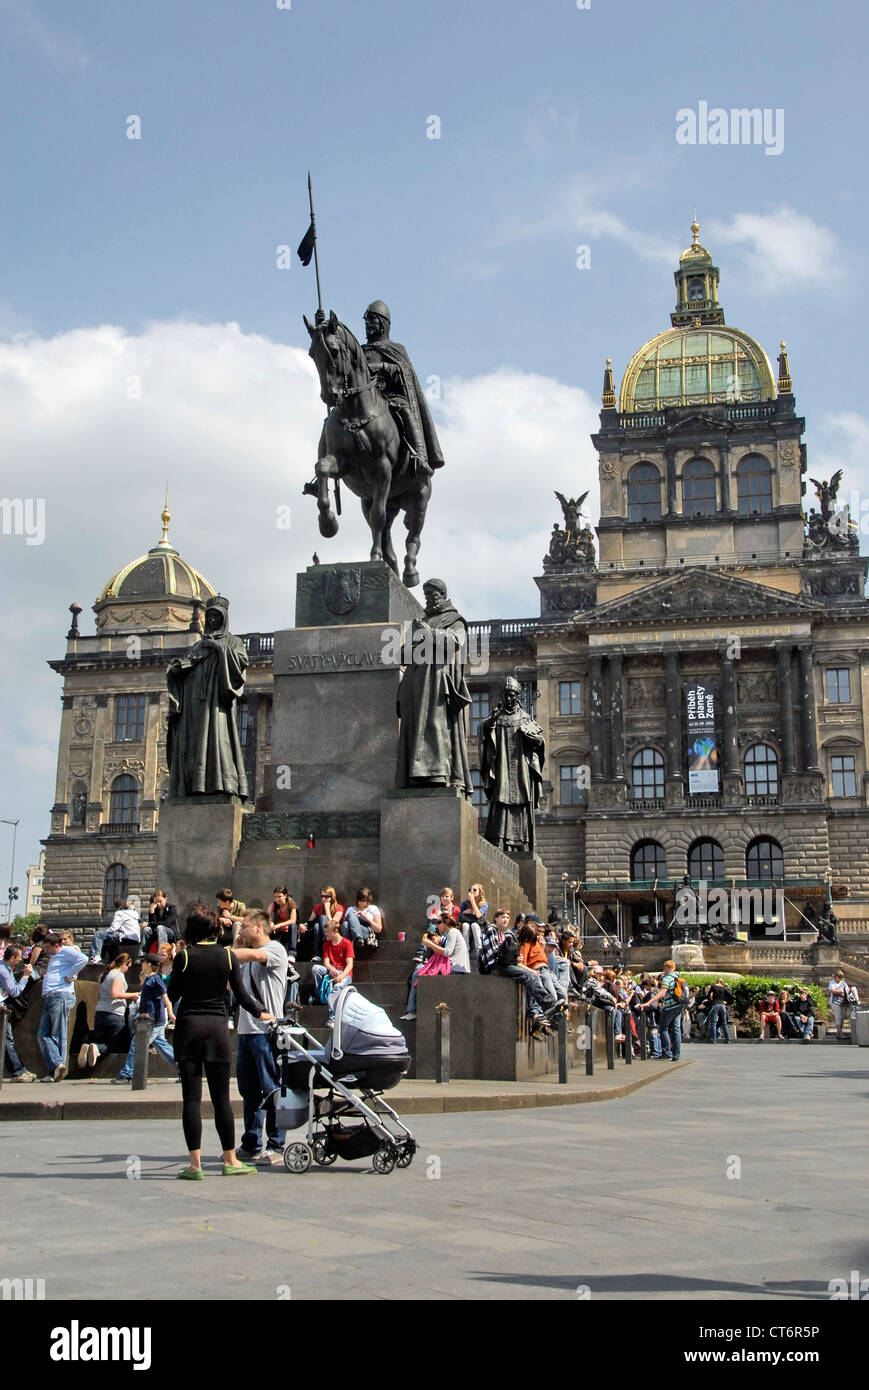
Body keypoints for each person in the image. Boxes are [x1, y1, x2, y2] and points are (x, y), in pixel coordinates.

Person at [167, 906, 273, 1179]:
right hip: (217, 1030)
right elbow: (242, 995)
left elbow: (173, 991)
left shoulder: (184, 957)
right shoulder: (227, 957)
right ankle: (230, 1160)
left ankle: (195, 1165)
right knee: (221, 1099)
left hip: (189, 1029)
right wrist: (262, 1012)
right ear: (216, 930)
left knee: (191, 1099)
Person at [166, 594, 250, 800]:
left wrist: (217, 647)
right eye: (209, 616)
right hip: (195, 706)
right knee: (195, 746)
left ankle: (223, 784)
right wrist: (177, 670)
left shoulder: (234, 642)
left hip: (216, 704)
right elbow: (188, 665)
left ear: (224, 619)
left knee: (219, 743)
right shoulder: (197, 646)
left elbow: (239, 666)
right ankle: (195, 787)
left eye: (216, 616)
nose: (212, 620)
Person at [395, 578, 472, 793]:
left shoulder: (454, 619)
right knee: (415, 730)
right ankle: (414, 776)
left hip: (437, 683)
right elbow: (402, 654)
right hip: (416, 685)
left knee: (436, 727)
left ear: (442, 595)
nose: (428, 598)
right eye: (426, 594)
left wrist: (427, 633)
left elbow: (455, 642)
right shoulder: (420, 621)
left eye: (432, 594)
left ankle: (437, 773)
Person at [361, 299, 444, 479]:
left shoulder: (396, 349)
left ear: (383, 324)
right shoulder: (360, 351)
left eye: (372, 320)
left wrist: (382, 366)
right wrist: (323, 329)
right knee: (333, 419)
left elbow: (404, 371)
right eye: (366, 320)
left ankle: (420, 456)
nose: (367, 324)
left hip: (390, 397)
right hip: (364, 398)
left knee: (405, 411)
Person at [231, 911, 289, 1160]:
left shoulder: (275, 949)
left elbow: (255, 954)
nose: (241, 930)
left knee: (272, 1088)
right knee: (249, 1090)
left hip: (268, 1032)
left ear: (259, 926)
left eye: (244, 926)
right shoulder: (244, 958)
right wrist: (234, 946)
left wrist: (224, 953)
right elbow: (229, 984)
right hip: (246, 1030)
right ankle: (251, 1143)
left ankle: (276, 1145)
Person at [479, 676, 545, 855]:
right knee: (500, 799)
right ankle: (498, 840)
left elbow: (540, 740)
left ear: (518, 696)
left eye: (512, 695)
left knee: (522, 801)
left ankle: (522, 843)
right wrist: (491, 721)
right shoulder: (496, 718)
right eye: (506, 695)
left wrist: (535, 740)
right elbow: (484, 731)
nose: (509, 698)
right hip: (502, 768)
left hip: (521, 769)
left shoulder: (525, 718)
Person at [114, 956, 178, 1083]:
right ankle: (183, 1066)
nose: (142, 964)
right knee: (162, 1045)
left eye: (144, 962)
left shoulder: (155, 979)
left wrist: (171, 1013)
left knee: (137, 1044)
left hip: (152, 1019)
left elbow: (166, 998)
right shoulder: (149, 979)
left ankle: (128, 1073)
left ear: (148, 964)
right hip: (150, 1018)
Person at [36, 931, 88, 1081]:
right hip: (51, 996)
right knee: (43, 1035)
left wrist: (70, 975)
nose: (46, 950)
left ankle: (58, 1070)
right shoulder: (55, 957)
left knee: (58, 1034)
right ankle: (56, 1065)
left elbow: (83, 959)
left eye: (47, 947)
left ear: (56, 945)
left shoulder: (66, 951)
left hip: (60, 995)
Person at [402, 910, 469, 1020]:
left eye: (438, 922)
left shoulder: (453, 932)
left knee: (419, 971)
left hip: (455, 968)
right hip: (452, 966)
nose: (436, 925)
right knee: (418, 972)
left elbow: (447, 952)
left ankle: (413, 1010)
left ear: (445, 923)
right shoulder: (450, 933)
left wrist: (431, 945)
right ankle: (412, 1009)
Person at [87, 953, 140, 1065]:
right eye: (128, 967)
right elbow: (115, 994)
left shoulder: (104, 974)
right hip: (114, 1013)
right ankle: (97, 1048)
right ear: (125, 964)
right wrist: (133, 995)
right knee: (117, 1044)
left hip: (100, 1011)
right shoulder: (118, 976)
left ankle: (90, 1049)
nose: (128, 969)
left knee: (102, 1039)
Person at [0, 945, 37, 1081]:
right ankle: (18, 1072)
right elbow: (15, 992)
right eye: (19, 957)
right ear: (12, 958)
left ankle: (19, 1070)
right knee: (6, 1040)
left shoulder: (6, 969)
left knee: (7, 1040)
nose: (21, 960)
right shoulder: (3, 971)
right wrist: (26, 976)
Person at [641, 959, 684, 1060]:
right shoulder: (678, 978)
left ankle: (667, 1052)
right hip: (679, 1006)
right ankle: (676, 1055)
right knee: (676, 1029)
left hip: (669, 1006)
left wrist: (648, 1002)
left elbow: (662, 993)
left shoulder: (667, 978)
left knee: (663, 1029)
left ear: (666, 968)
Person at [311, 919, 355, 1018]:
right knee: (316, 968)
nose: (326, 934)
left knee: (337, 987)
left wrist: (342, 976)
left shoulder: (346, 943)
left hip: (344, 973)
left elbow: (350, 964)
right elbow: (326, 962)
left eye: (328, 932)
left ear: (335, 931)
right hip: (332, 970)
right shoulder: (327, 944)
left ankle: (332, 1017)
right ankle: (320, 996)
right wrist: (331, 969)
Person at [89, 899, 142, 964]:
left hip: (125, 937)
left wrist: (106, 931)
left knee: (99, 934)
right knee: (106, 938)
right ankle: (102, 958)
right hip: (135, 939)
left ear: (117, 908)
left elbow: (114, 928)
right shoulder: (134, 914)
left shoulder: (119, 913)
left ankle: (95, 957)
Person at [299, 886, 344, 963]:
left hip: (333, 933)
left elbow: (333, 924)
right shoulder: (318, 907)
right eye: (322, 896)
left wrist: (327, 909)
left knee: (321, 920)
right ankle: (321, 950)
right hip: (317, 934)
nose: (323, 899)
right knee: (317, 925)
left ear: (332, 897)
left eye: (326, 897)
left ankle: (319, 952)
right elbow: (310, 922)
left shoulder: (339, 908)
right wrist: (301, 925)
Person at [458, 883, 487, 972]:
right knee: (465, 925)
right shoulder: (464, 903)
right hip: (467, 925)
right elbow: (461, 916)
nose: (471, 891)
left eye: (474, 890)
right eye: (470, 889)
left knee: (474, 925)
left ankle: (479, 951)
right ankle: (465, 950)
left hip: (478, 927)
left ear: (480, 892)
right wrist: (471, 910)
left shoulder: (484, 904)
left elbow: (478, 915)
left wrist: (472, 902)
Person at [142, 890, 179, 956]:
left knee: (160, 927)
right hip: (157, 931)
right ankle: (142, 953)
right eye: (156, 902)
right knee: (146, 929)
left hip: (171, 932)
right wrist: (152, 912)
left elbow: (167, 923)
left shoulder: (172, 907)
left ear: (165, 899)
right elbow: (152, 924)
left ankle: (162, 952)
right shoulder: (155, 909)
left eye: (160, 901)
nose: (158, 904)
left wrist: (149, 924)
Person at [268, 887, 299, 958]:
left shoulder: (291, 904)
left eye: (279, 897)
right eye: (275, 897)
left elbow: (293, 920)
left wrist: (278, 925)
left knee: (293, 926)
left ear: (286, 895)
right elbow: (266, 915)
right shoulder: (274, 904)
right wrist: (270, 922)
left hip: (289, 932)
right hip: (278, 932)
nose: (277, 899)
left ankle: (292, 953)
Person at [704, 979, 733, 1044]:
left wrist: (710, 1000)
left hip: (715, 1004)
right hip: (722, 1005)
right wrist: (727, 1002)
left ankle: (713, 1039)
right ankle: (728, 1039)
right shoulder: (723, 988)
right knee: (724, 1023)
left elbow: (708, 995)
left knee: (714, 1022)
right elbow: (731, 996)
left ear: (716, 981)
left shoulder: (713, 986)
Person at [827, 970, 851, 1040]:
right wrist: (840, 991)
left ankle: (838, 1033)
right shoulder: (832, 983)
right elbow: (832, 990)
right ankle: (840, 1033)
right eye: (839, 977)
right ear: (835, 977)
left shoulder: (843, 983)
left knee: (842, 1017)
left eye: (841, 977)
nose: (840, 979)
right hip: (835, 1002)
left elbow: (847, 990)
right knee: (838, 1016)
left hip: (843, 1001)